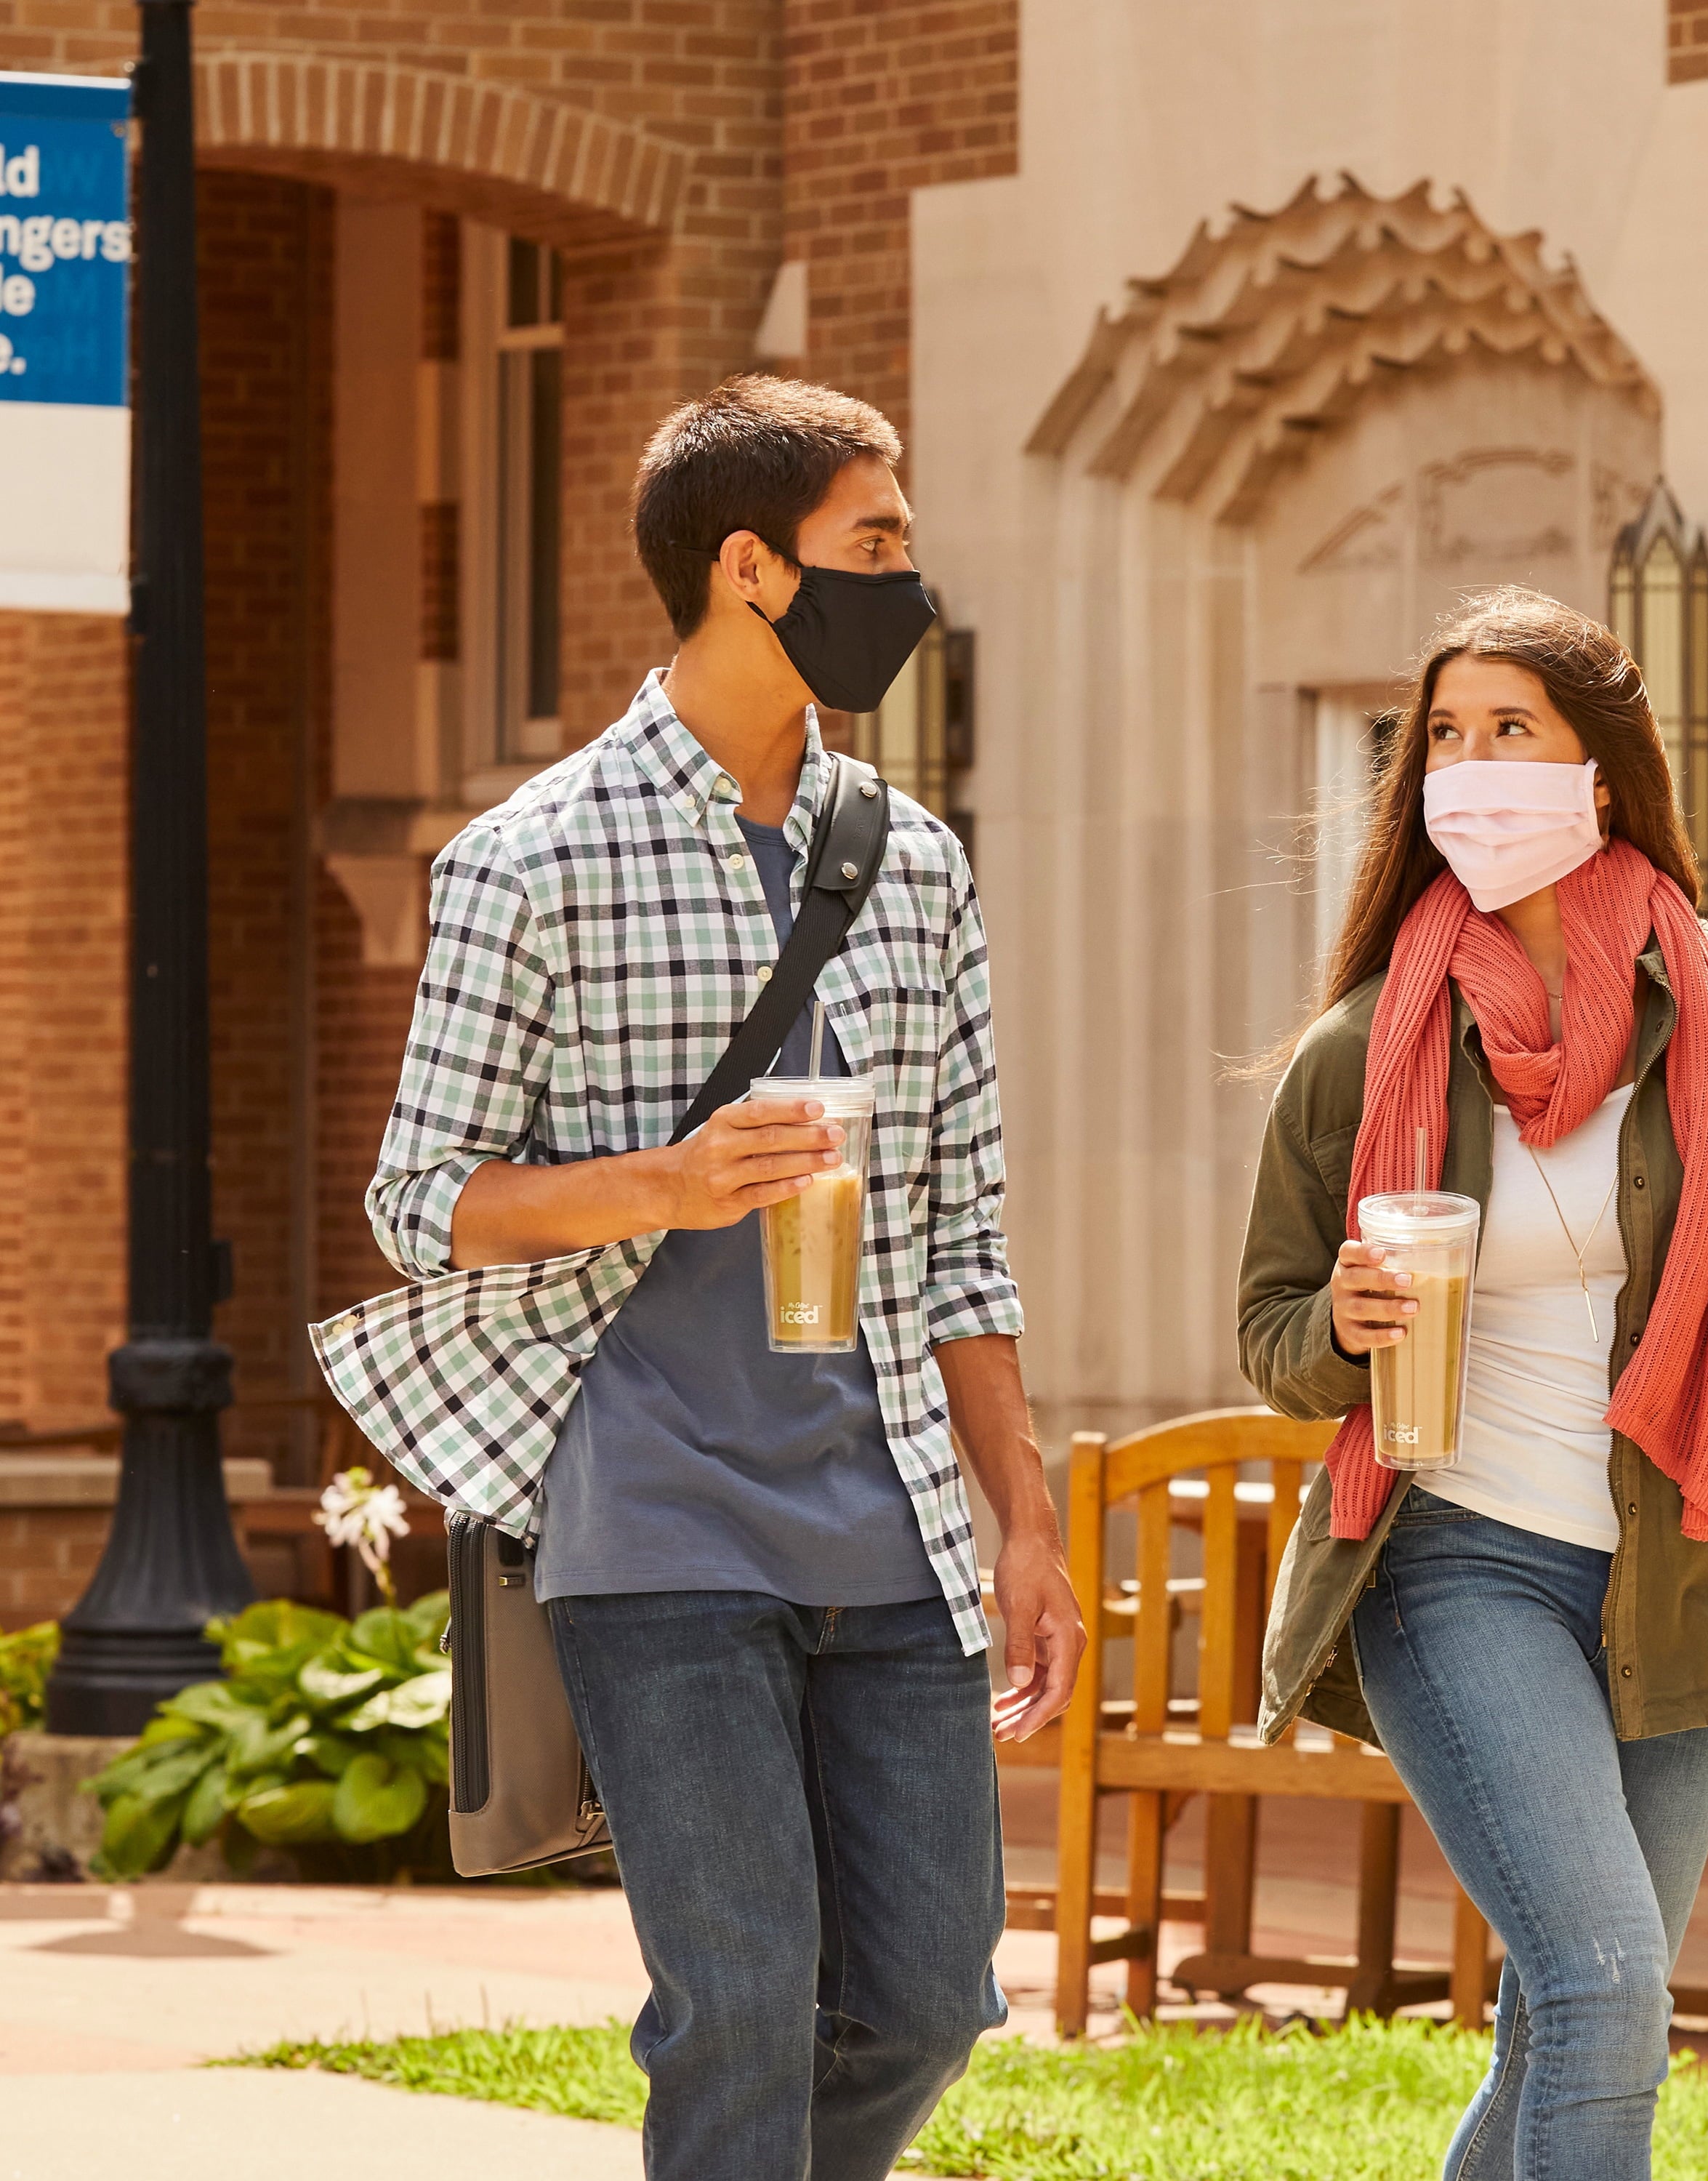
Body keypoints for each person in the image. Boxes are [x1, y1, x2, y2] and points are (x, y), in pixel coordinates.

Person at [363, 374, 1084, 2181]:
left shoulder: (912, 864)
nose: (908, 580)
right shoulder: (531, 861)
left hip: (893, 1522)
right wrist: (665, 1188)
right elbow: (420, 1200)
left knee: (928, 1999)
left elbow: (965, 1229)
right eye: (876, 542)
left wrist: (1025, 1519)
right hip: (657, 1523)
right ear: (751, 568)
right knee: (743, 2006)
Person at [1238, 588, 1708, 2180]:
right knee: (1608, 1995)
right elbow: (1271, 1332)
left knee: (1570, 2016)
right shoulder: (1366, 1046)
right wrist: (1342, 1325)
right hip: (1455, 1558)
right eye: (1444, 738)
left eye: (1510, 731)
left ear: (1601, 772)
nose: (1470, 768)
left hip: (1687, 1570)